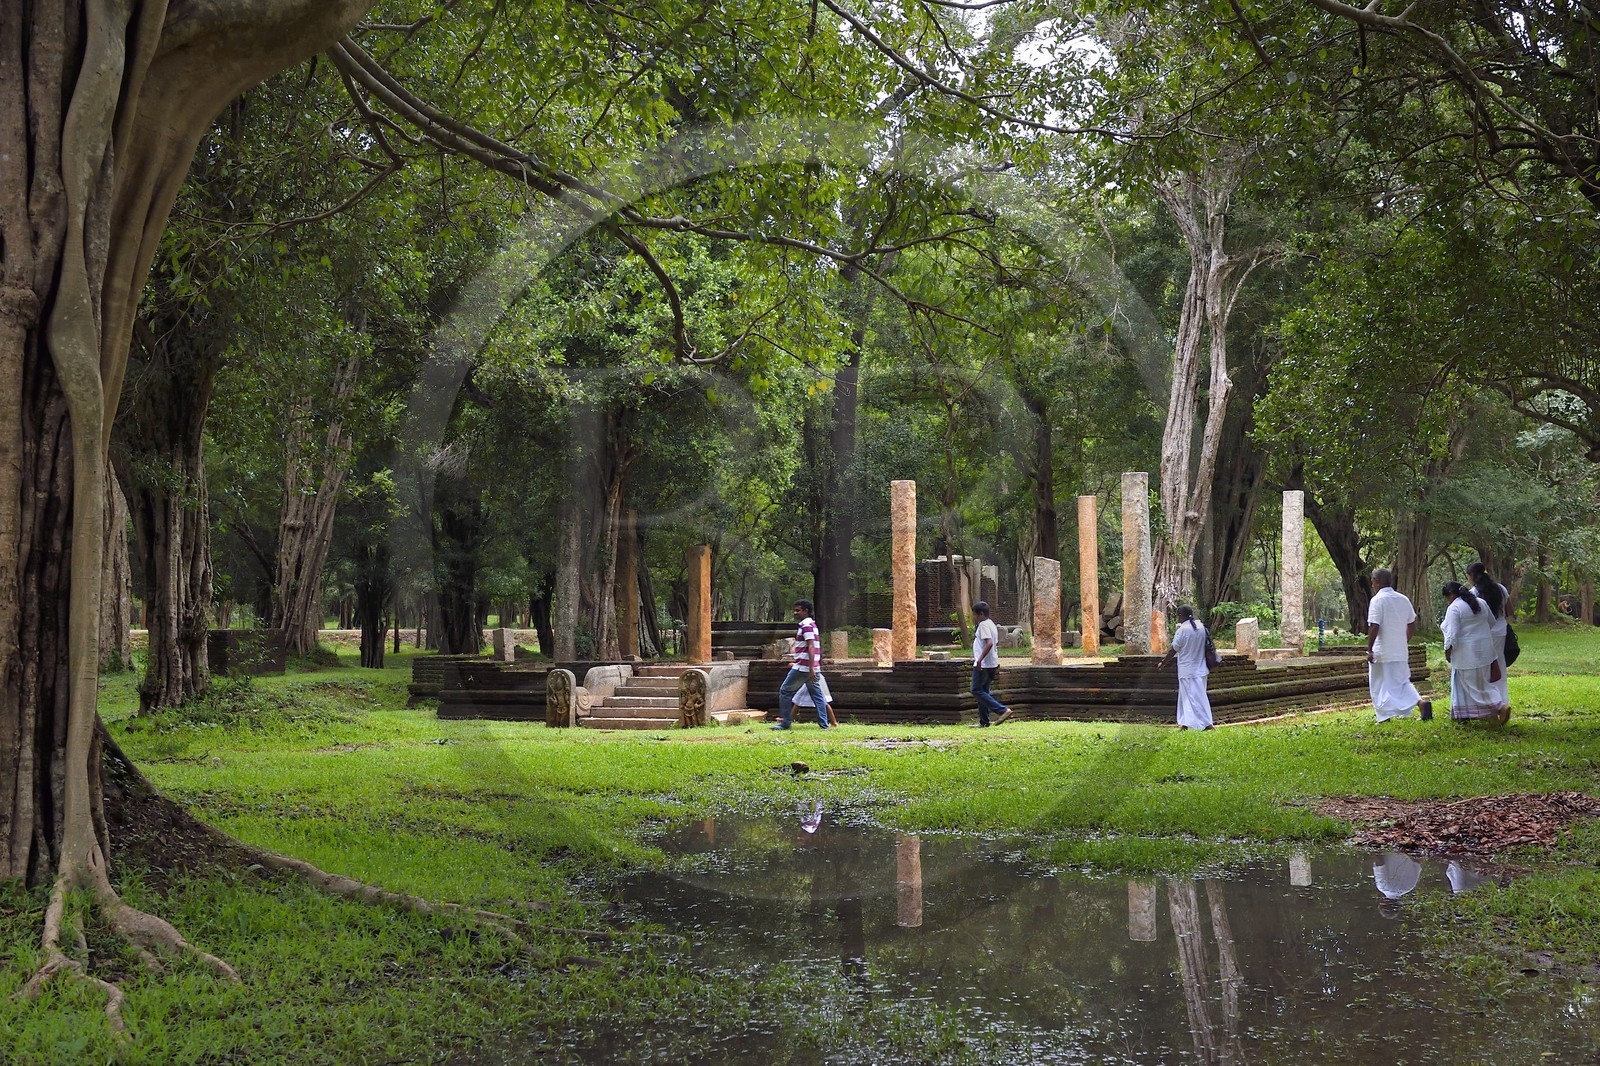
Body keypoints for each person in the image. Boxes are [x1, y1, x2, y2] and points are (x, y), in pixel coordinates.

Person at [1365, 568, 1432, 722]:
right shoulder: (1403, 599)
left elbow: (1374, 626)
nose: (1372, 584)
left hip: (1382, 651)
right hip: (1400, 651)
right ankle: (1421, 703)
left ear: (1377, 582)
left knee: (1379, 683)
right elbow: (1412, 623)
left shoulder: (1377, 600)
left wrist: (1369, 650)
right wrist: (1403, 640)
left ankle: (1384, 716)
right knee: (1402, 682)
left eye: (1372, 581)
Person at [1441, 580, 1508, 724]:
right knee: (1482, 682)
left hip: (1467, 654)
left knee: (1474, 687)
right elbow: (1492, 622)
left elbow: (1452, 634)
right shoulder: (1480, 602)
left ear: (1451, 594)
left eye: (1446, 598)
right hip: (1485, 651)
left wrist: (1447, 651)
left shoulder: (1454, 608)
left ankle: (1500, 706)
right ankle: (1487, 717)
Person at [1466, 561, 1512, 722]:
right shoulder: (1501, 589)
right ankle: (1503, 703)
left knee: (1483, 670)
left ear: (1471, 576)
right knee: (1499, 668)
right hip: (1500, 632)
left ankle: (1489, 709)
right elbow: (1509, 611)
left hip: (1483, 634)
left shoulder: (1473, 594)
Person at [774, 598, 830, 730]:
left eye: (798, 610)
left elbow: (811, 647)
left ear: (806, 611)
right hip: (810, 667)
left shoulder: (806, 626)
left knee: (785, 691)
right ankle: (824, 724)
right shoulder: (812, 625)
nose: (795, 613)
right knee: (817, 695)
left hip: (804, 668)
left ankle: (785, 722)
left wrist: (810, 668)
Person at [1161, 605, 1213, 729]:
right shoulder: (1201, 627)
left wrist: (1163, 662)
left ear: (1180, 616)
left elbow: (1173, 649)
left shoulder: (1183, 630)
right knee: (1190, 697)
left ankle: (1207, 724)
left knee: (1193, 698)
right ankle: (1186, 723)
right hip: (1201, 669)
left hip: (1188, 670)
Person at [969, 601, 1010, 726]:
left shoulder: (983, 625)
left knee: (976, 690)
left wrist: (979, 660)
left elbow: (989, 643)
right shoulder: (991, 624)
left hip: (984, 664)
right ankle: (984, 721)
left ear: (981, 614)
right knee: (983, 692)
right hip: (991, 663)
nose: (974, 617)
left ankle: (1002, 710)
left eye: (975, 615)